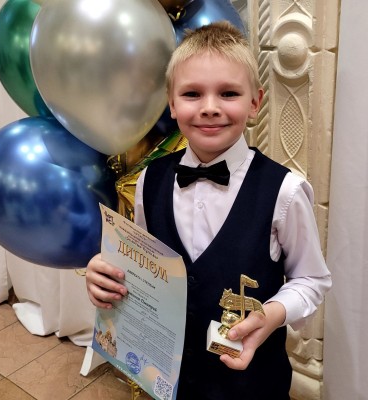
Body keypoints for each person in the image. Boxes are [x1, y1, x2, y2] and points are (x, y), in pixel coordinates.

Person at [86, 21, 332, 399]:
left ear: (255, 103)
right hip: (172, 381)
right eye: (192, 94)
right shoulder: (149, 179)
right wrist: (106, 275)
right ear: (172, 103)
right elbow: (147, 268)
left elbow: (312, 280)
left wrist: (272, 315)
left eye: (229, 93)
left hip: (252, 384)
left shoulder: (285, 191)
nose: (210, 108)